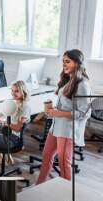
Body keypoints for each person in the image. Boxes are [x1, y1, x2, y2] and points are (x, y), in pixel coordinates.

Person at [36, 49, 91, 184]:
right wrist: (54, 110)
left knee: (63, 163)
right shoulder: (69, 79)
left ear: (77, 64)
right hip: (56, 127)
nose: (64, 65)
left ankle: (65, 195)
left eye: (68, 61)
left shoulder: (82, 84)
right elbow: (67, 105)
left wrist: (58, 113)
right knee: (47, 156)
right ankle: (39, 186)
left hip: (67, 130)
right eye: (63, 61)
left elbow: (85, 113)